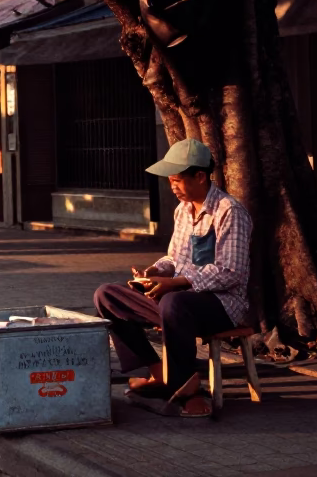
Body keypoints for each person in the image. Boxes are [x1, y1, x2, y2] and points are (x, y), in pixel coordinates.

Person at [92, 138, 252, 418]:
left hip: (221, 305)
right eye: (170, 180)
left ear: (200, 176)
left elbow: (232, 273)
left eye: (178, 180)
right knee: (106, 295)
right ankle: (158, 373)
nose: (172, 187)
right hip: (177, 300)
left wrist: (176, 283)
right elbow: (174, 258)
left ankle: (188, 388)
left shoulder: (230, 212)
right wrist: (155, 272)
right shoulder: (182, 210)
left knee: (174, 303)